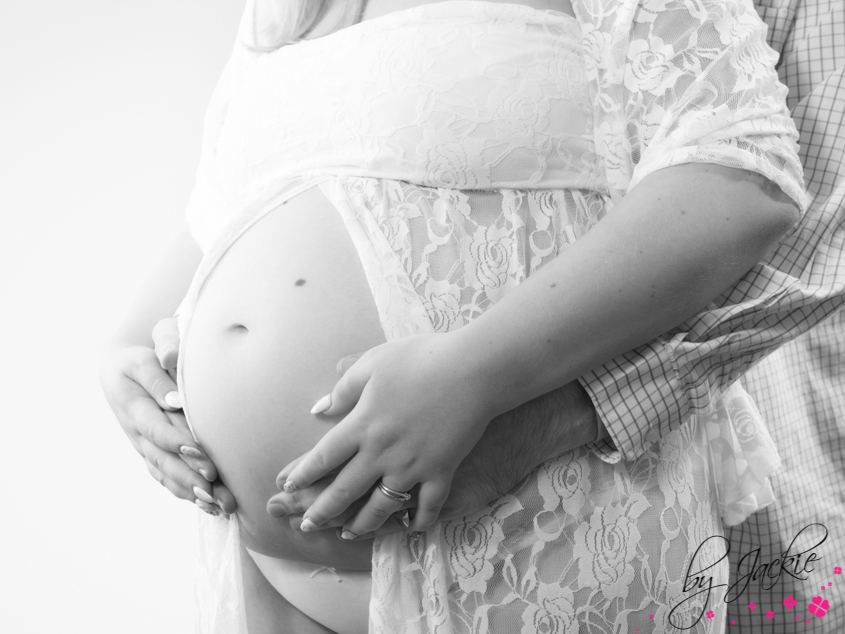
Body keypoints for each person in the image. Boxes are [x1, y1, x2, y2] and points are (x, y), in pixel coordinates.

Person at [100, 0, 816, 632]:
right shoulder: (285, 11)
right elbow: (229, 204)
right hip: (266, 565)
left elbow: (741, 177)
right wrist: (128, 348)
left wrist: (473, 372)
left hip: (523, 522)